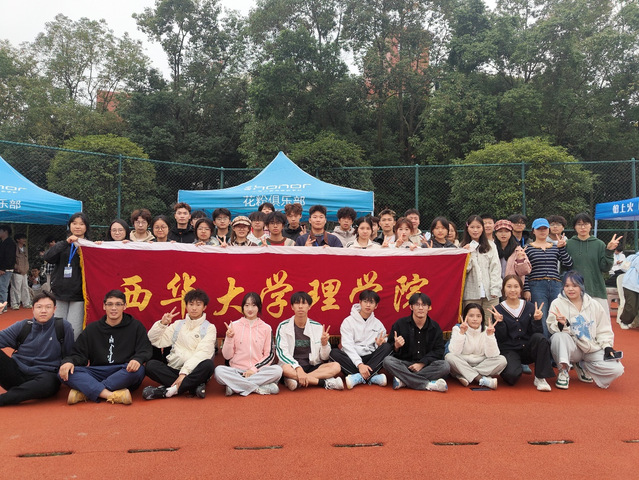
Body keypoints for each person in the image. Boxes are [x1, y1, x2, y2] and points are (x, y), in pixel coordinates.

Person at [58, 290, 153, 405]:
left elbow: (145, 349)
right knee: (65, 372)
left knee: (139, 370)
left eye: (118, 304)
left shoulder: (136, 326)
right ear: (104, 306)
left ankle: (87, 391)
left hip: (123, 370)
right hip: (98, 371)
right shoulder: (92, 328)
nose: (114, 308)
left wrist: (137, 359)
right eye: (110, 304)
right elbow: (79, 354)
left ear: (125, 306)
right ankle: (109, 394)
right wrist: (69, 362)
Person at [548, 271, 624, 389]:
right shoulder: (557, 303)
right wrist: (562, 324)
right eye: (567, 286)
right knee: (558, 337)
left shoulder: (594, 304)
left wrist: (607, 346)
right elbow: (552, 328)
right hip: (572, 348)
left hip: (591, 347)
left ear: (581, 286)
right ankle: (563, 370)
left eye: (574, 285)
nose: (570, 289)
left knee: (617, 369)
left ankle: (583, 366)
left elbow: (603, 329)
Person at [0, 292, 74, 406]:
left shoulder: (63, 326)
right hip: (16, 374)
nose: (43, 311)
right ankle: (19, 393)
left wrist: (68, 362)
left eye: (48, 307)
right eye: (39, 307)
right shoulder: (23, 326)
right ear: (33, 309)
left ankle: (5, 399)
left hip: (44, 376)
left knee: (50, 384)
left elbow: (70, 353)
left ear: (54, 309)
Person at [143, 289, 216, 400]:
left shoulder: (209, 328)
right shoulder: (178, 325)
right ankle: (193, 386)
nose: (194, 308)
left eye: (198, 304)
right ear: (186, 306)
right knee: (150, 366)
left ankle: (167, 391)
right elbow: (154, 340)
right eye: (191, 304)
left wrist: (184, 373)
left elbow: (203, 353)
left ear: (204, 307)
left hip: (194, 370)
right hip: (174, 368)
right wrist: (162, 324)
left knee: (208, 365)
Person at [493, 275, 555, 391]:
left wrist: (537, 320)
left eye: (516, 286)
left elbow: (537, 333)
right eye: (509, 286)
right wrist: (500, 323)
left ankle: (540, 377)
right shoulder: (498, 310)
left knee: (540, 339)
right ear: (503, 289)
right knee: (511, 377)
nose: (512, 290)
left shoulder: (530, 307)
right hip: (509, 350)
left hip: (527, 349)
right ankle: (515, 367)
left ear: (521, 289)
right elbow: (501, 339)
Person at [214, 292, 283, 396]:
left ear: (259, 307)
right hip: (237, 371)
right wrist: (229, 338)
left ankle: (235, 387)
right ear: (242, 308)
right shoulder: (234, 326)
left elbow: (269, 355)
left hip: (258, 371)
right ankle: (259, 388)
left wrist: (253, 370)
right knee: (219, 371)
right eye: (247, 305)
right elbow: (227, 356)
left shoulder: (266, 328)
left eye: (254, 305)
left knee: (277, 370)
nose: (250, 309)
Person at [275, 292, 343, 391]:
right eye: (297, 303)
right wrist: (298, 368)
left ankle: (298, 380)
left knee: (336, 366)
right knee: (284, 368)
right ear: (292, 307)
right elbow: (282, 353)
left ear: (309, 306)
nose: (300, 306)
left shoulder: (317, 327)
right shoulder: (283, 326)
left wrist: (324, 344)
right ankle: (323, 383)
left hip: (312, 366)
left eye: (304, 303)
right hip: (292, 366)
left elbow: (325, 357)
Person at [382, 293, 450, 392]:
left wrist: (422, 363)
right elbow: (390, 347)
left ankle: (404, 381)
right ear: (411, 307)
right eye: (417, 305)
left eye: (424, 305)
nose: (420, 308)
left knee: (445, 366)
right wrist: (396, 346)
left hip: (426, 366)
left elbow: (439, 350)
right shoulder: (400, 324)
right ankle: (427, 384)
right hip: (405, 365)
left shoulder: (435, 327)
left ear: (429, 308)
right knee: (387, 361)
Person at [329, 290, 392, 388]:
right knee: (334, 353)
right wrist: (359, 364)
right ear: (360, 302)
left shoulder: (378, 324)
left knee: (387, 347)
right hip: (352, 359)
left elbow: (381, 345)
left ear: (376, 306)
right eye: (365, 301)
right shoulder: (348, 322)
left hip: (371, 359)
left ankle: (358, 377)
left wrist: (379, 344)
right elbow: (347, 346)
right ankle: (371, 377)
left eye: (371, 302)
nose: (368, 305)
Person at [523, 218, 573, 336]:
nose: (542, 231)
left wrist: (562, 249)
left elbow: (568, 264)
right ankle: (545, 344)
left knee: (556, 314)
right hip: (536, 285)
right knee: (542, 316)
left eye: (544, 228)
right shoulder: (527, 248)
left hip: (556, 284)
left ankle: (556, 342)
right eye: (539, 229)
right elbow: (524, 271)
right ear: (533, 231)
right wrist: (526, 289)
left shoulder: (555, 247)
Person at [43, 212, 89, 339]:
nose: (77, 226)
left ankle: (71, 351)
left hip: (78, 295)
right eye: (74, 223)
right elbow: (48, 257)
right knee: (57, 329)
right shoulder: (63, 245)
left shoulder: (89, 246)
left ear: (86, 227)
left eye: (81, 224)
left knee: (74, 331)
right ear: (69, 226)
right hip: (60, 293)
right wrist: (65, 243)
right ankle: (58, 350)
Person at [565, 212, 621, 315]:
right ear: (574, 227)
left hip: (596, 290)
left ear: (591, 225)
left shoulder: (599, 244)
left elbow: (605, 268)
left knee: (600, 321)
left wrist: (609, 251)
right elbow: (564, 268)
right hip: (573, 291)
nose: (583, 227)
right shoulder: (568, 244)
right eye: (579, 224)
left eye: (586, 224)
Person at [445, 303, 507, 389]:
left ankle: (465, 375)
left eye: (478, 316)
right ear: (465, 317)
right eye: (471, 316)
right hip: (462, 362)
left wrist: (490, 336)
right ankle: (480, 378)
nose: (475, 319)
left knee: (502, 360)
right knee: (449, 357)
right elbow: (454, 352)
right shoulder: (457, 329)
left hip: (481, 364)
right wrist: (461, 333)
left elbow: (492, 355)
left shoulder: (487, 329)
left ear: (482, 318)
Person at [461, 215, 501, 321]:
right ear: (467, 228)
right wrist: (467, 253)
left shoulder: (491, 245)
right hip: (471, 293)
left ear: (482, 228)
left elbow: (495, 268)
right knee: (472, 323)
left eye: (478, 227)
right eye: (472, 227)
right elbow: (465, 270)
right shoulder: (462, 247)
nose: (475, 230)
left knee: (490, 322)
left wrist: (495, 288)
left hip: (490, 294)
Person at [618, 252, 639, 329]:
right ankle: (624, 321)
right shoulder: (635, 257)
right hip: (630, 285)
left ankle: (635, 322)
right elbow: (623, 267)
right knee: (631, 306)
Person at [10, 233, 31, 309]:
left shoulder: (25, 249)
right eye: (23, 238)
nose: (24, 240)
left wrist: (27, 268)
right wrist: (16, 267)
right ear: (18, 240)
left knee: (25, 287)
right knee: (16, 288)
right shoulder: (14, 248)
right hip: (17, 271)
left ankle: (26, 303)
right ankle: (15, 303)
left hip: (25, 271)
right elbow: (12, 260)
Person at [0, 224, 16, 314]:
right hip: (3, 269)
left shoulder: (10, 243)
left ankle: (3, 307)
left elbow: (9, 257)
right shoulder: (3, 242)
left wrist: (3, 268)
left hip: (6, 269)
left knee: (3, 288)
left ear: (5, 232)